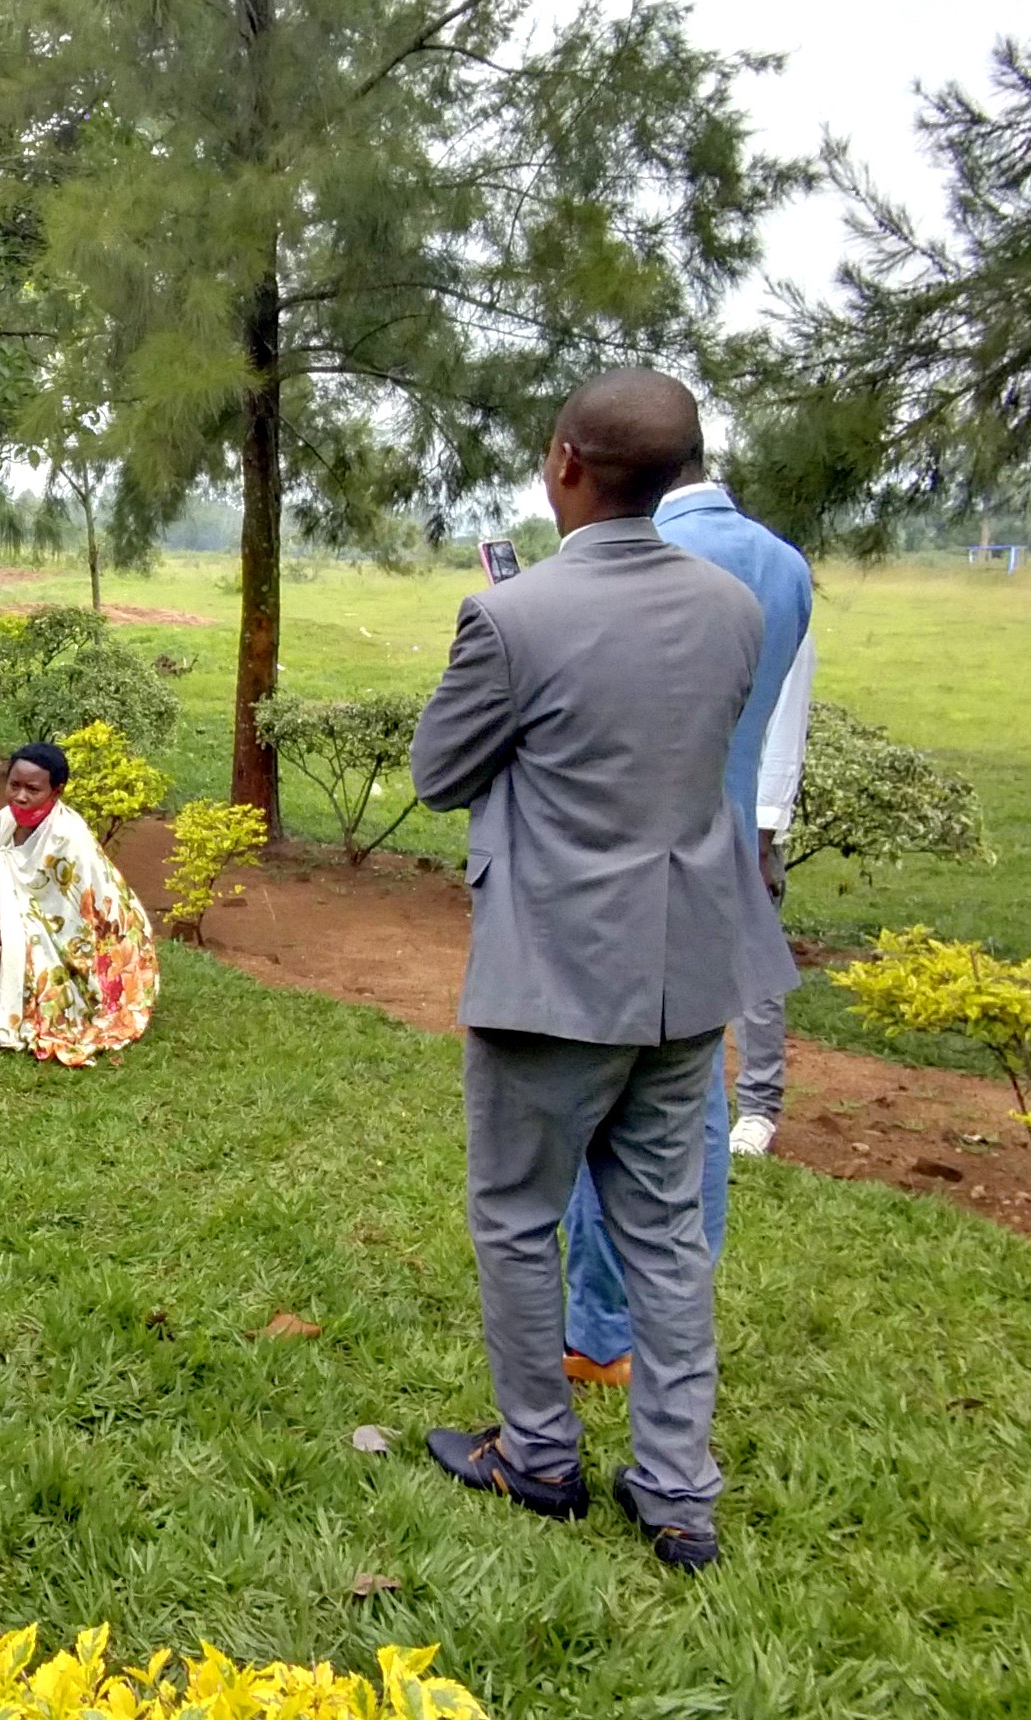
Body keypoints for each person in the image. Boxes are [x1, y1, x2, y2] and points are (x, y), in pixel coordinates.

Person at [408, 369, 796, 1575]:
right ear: (677, 473)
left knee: (518, 1216)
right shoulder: (736, 607)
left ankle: (539, 1452)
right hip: (687, 971)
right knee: (666, 1235)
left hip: (556, 971)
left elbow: (440, 772)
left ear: (565, 462)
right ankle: (678, 1490)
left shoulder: (513, 617)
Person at [557, 451, 814, 1384]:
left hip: (623, 873)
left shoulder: (632, 558)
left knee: (605, 1109)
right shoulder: (784, 566)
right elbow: (781, 722)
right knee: (691, 1097)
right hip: (727, 853)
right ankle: (671, 1315)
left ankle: (603, 1328)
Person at [0, 743, 160, 1065]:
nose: (20, 797)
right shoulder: (5, 822)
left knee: (32, 966)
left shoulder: (67, 839)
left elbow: (71, 929)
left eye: (32, 790)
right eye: (14, 785)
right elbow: (7, 897)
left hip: (97, 943)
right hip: (42, 929)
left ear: (56, 791)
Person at [730, 632, 815, 1156]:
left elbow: (784, 732)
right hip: (682, 813)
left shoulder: (782, 615)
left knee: (751, 966)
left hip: (746, 825)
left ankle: (758, 1107)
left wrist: (762, 836)